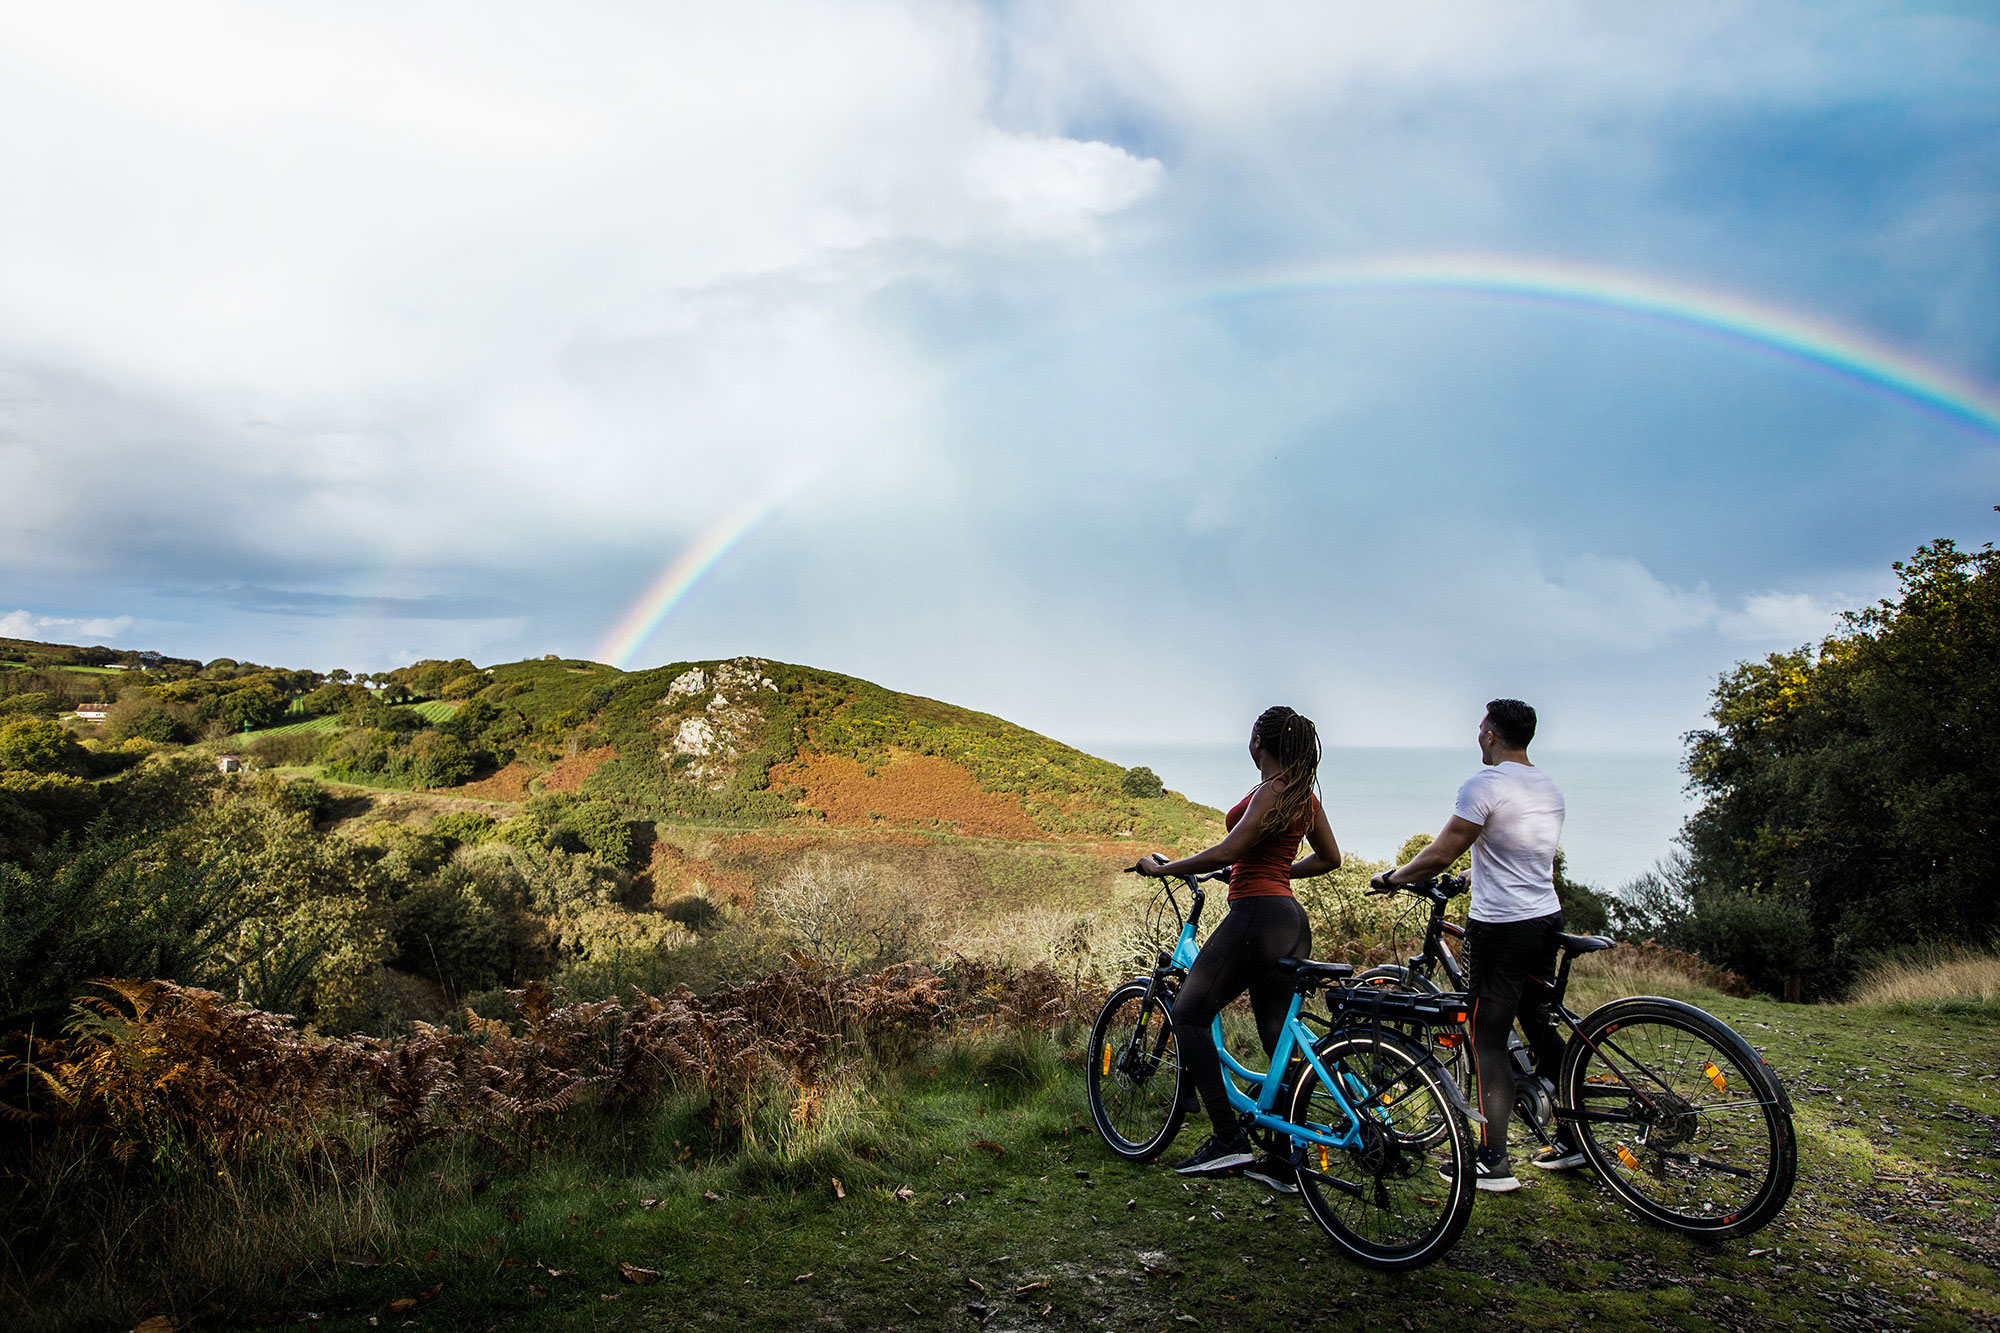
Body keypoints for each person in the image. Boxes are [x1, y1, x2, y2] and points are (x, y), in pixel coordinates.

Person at [1368, 698, 1578, 1192]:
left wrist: (1394, 878)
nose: (1477, 734)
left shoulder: (1484, 783)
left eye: (1480, 727)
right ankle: (1573, 1138)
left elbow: (1441, 850)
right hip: (1543, 917)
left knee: (1486, 1038)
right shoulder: (1546, 784)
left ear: (1491, 734)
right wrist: (1474, 872)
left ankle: (1493, 1160)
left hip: (1501, 928)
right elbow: (1521, 851)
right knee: (1537, 1023)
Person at [1132, 705, 1342, 1190]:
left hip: (1256, 916)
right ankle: (1287, 1160)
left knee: (1187, 1013)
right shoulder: (1302, 796)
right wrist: (1272, 871)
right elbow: (1330, 858)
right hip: (1288, 919)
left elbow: (1232, 847)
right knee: (1276, 1038)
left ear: (1259, 743)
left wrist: (1165, 868)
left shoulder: (1271, 790)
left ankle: (1228, 1139)